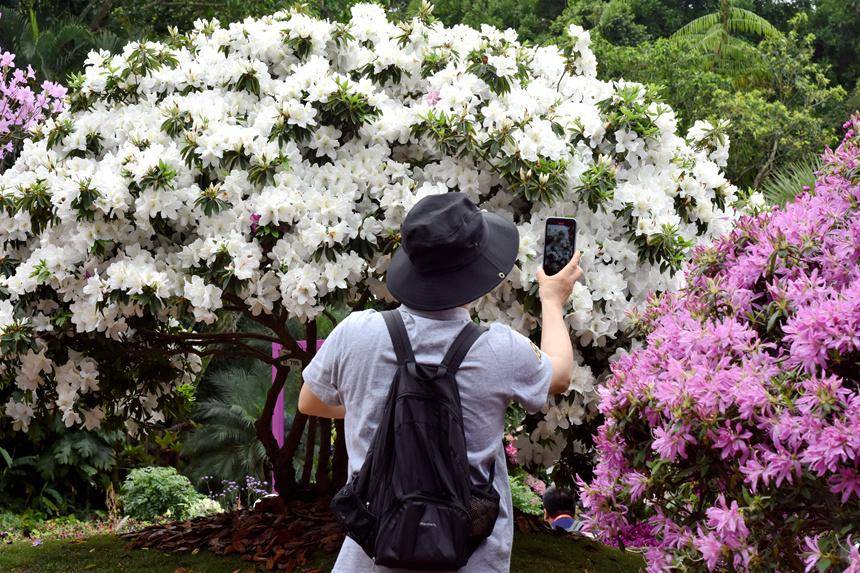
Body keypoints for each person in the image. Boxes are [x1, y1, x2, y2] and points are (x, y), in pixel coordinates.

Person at [298, 192, 583, 572]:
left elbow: (309, 402)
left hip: (368, 557)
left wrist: (384, 410)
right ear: (478, 270)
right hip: (469, 559)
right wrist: (551, 299)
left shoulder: (357, 333)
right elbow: (560, 374)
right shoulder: (499, 349)